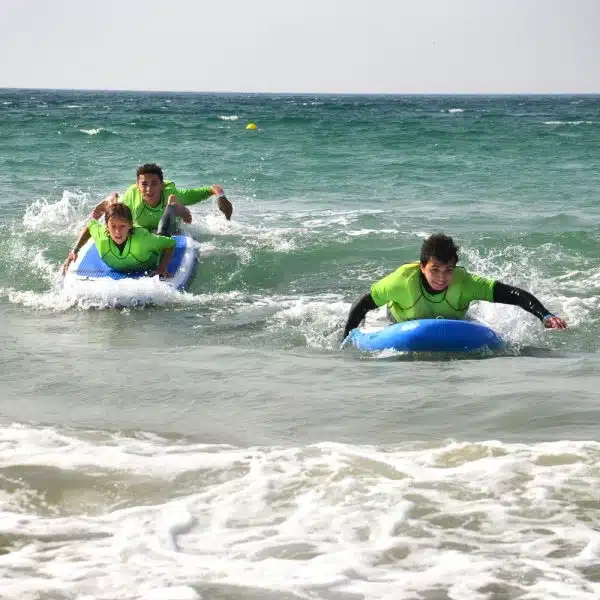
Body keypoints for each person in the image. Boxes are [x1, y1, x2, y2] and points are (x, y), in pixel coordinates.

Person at [342, 233, 567, 340]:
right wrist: (347, 338)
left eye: (448, 269)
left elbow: (514, 294)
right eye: (434, 270)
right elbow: (363, 303)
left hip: (451, 325)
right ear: (422, 267)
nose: (441, 277)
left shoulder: (465, 282)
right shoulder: (401, 281)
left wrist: (545, 315)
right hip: (396, 322)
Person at [91, 163, 233, 233]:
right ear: (138, 186)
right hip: (143, 226)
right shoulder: (132, 196)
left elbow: (212, 189)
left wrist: (222, 197)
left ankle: (175, 206)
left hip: (168, 223)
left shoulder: (172, 192)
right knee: (115, 208)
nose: (149, 189)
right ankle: (112, 198)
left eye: (154, 184)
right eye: (144, 184)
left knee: (169, 219)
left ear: (162, 185)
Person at [61, 203, 176, 276]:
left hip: (150, 253)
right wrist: (75, 250)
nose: (117, 232)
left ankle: (171, 206)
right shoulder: (102, 237)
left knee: (163, 231)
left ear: (130, 225)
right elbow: (91, 226)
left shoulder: (143, 240)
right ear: (107, 226)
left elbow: (170, 244)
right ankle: (111, 201)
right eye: (113, 226)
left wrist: (162, 267)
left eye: (122, 226)